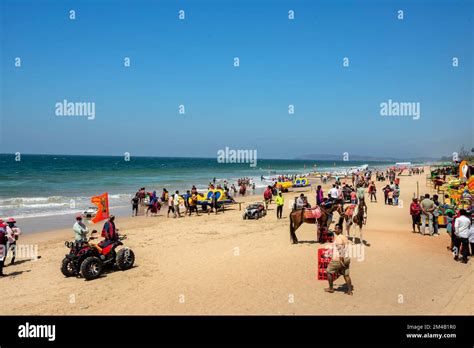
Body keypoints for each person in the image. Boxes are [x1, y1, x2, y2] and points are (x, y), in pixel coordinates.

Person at [325, 223, 353, 295]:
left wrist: (341, 260)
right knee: (346, 275)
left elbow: (340, 250)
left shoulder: (338, 238)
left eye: (336, 229)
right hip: (347, 258)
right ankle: (350, 291)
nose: (335, 230)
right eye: (335, 228)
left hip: (339, 259)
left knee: (329, 271)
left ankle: (331, 288)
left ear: (340, 230)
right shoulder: (344, 237)